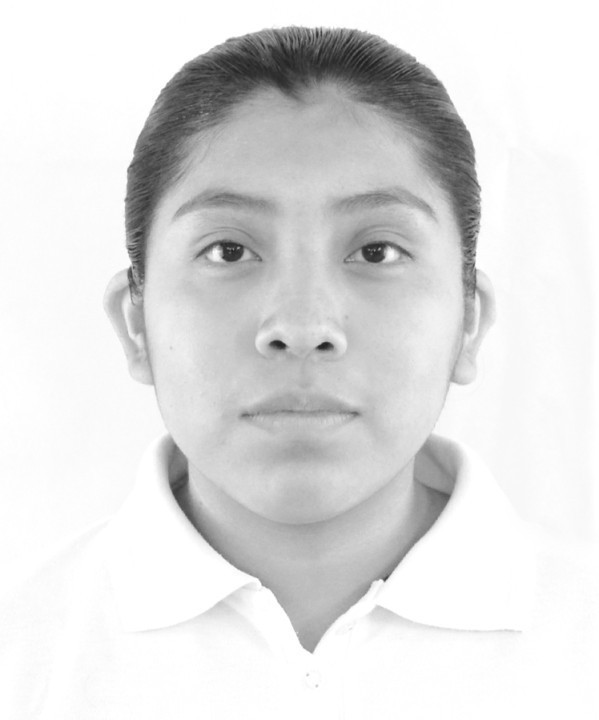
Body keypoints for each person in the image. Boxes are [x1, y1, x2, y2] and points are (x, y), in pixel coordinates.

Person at [1, 26, 596, 719]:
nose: (304, 326)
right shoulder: (22, 652)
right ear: (135, 322)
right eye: (228, 251)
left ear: (468, 320)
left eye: (376, 251)